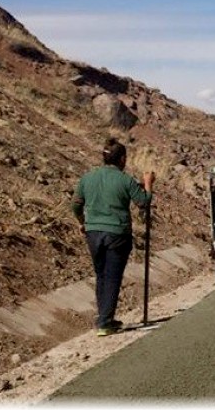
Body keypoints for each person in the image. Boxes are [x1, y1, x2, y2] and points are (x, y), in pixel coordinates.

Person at [71, 137, 154, 336]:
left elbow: (75, 204)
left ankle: (104, 317)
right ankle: (105, 322)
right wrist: (148, 184)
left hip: (93, 233)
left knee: (101, 274)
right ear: (122, 159)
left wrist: (82, 222)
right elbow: (143, 202)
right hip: (117, 233)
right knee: (112, 277)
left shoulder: (88, 177)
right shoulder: (124, 179)